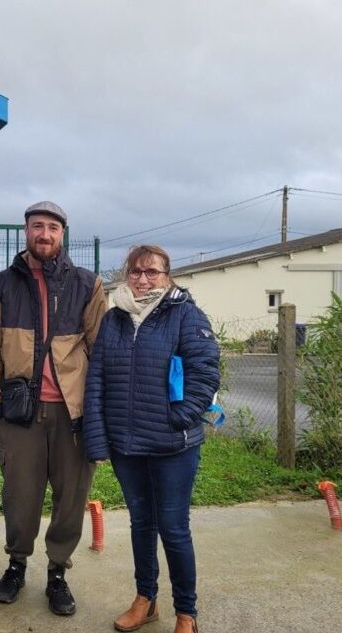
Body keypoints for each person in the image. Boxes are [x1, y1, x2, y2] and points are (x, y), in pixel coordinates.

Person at [82, 245, 219, 633]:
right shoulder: (114, 319)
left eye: (152, 272)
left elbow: (205, 374)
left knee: (174, 528)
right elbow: (97, 381)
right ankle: (146, 600)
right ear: (128, 276)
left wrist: (178, 417)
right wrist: (98, 437)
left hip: (173, 445)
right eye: (136, 272)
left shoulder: (186, 315)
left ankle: (186, 614)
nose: (143, 280)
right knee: (141, 524)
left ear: (167, 275)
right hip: (127, 445)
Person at [0, 200, 107, 616]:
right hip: (20, 413)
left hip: (73, 413)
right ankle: (16, 565)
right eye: (37, 226)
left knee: (71, 497)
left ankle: (58, 572)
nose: (45, 234)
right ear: (26, 232)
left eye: (53, 227)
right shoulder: (1, 284)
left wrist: (98, 412)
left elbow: (100, 349)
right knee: (20, 496)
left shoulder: (87, 283)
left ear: (62, 234)